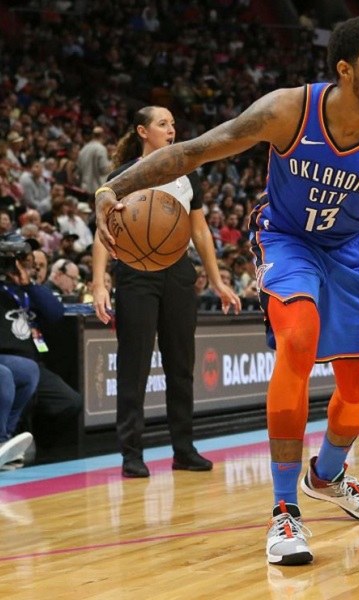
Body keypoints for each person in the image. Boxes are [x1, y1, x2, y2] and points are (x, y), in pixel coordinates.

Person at [95, 17, 359, 566]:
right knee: (298, 337)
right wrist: (113, 187)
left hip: (352, 252)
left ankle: (326, 476)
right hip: (287, 238)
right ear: (345, 70)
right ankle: (283, 510)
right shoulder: (289, 110)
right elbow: (195, 151)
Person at [91, 105, 241, 479]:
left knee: (181, 365)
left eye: (173, 124)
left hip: (177, 272)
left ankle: (184, 450)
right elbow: (103, 231)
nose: (171, 129)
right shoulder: (122, 177)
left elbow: (199, 230)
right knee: (134, 365)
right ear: (143, 131)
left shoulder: (186, 174)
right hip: (135, 274)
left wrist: (217, 280)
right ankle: (131, 453)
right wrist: (98, 283)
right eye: (162, 124)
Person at [0, 236, 41, 468]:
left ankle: (5, 438)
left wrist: (26, 285)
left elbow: (54, 312)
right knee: (3, 375)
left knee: (28, 370)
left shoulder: (14, 289)